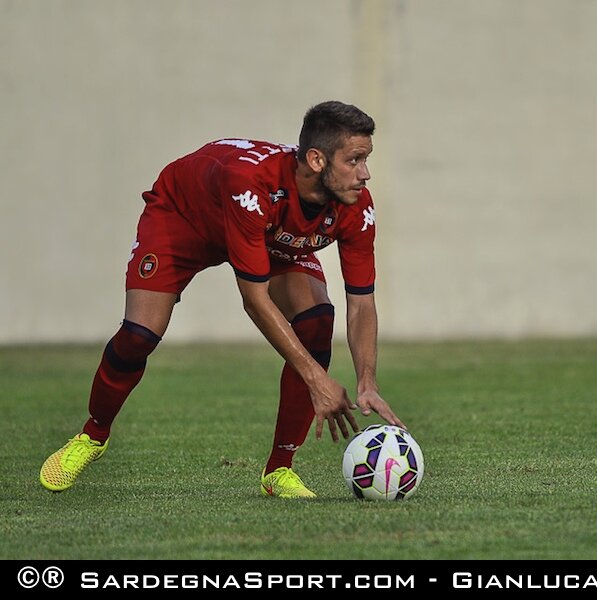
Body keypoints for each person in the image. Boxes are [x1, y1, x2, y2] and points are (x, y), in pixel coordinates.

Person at [39, 101, 404, 498]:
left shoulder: (354, 205)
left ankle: (278, 471)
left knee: (316, 320)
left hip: (265, 232)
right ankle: (93, 435)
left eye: (366, 159)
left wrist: (366, 380)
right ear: (316, 160)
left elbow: (362, 302)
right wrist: (316, 379)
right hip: (185, 218)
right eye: (355, 160)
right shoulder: (251, 182)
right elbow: (254, 299)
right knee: (139, 336)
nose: (365, 173)